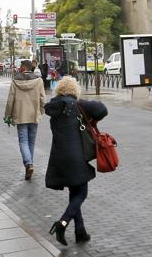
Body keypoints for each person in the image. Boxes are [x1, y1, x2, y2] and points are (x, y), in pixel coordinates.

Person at [44, 75, 107, 246]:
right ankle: (62, 223)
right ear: (74, 90)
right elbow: (102, 110)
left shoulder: (53, 107)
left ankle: (80, 231)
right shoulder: (77, 104)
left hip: (59, 157)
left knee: (74, 192)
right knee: (82, 192)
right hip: (75, 157)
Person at [4, 59, 46, 180]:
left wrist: (8, 115)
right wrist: (41, 111)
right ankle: (30, 164)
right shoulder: (39, 81)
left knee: (23, 141)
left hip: (20, 114)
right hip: (34, 114)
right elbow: (43, 98)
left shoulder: (15, 81)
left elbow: (10, 100)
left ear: (23, 68)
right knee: (31, 142)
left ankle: (28, 164)